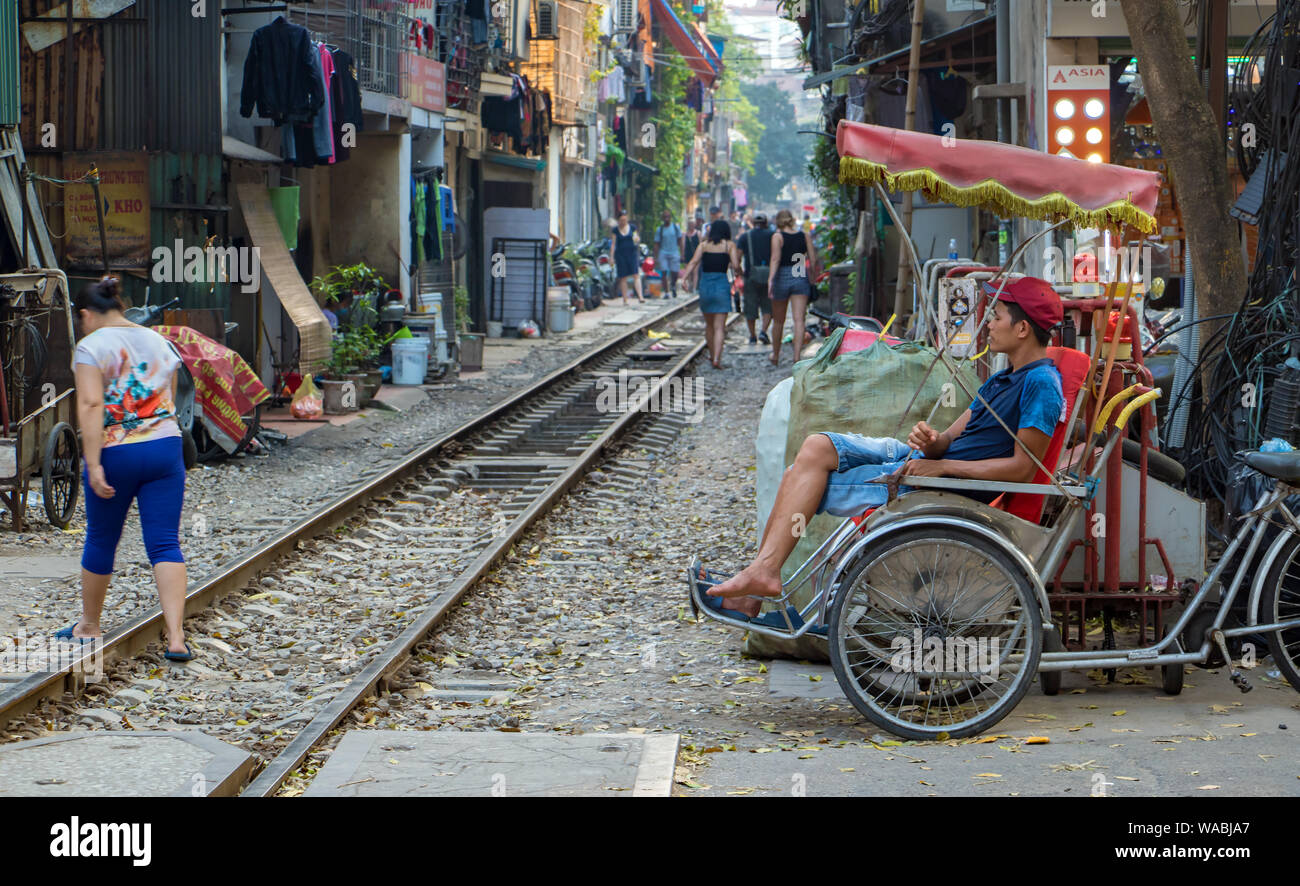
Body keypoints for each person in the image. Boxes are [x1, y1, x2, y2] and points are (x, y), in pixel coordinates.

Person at [706, 277, 1066, 617]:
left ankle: (759, 581)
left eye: (997, 316)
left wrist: (942, 468)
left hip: (942, 488)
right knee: (815, 447)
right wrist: (933, 441)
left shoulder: (1040, 384)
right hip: (923, 465)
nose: (988, 323)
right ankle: (761, 576)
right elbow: (948, 440)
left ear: (1022, 328)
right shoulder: (1002, 378)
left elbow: (1023, 468)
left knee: (798, 479)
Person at [62, 277, 193, 660]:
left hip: (118, 451)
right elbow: (168, 394)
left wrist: (93, 462)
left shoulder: (90, 346)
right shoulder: (158, 341)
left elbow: (89, 405)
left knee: (102, 538)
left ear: (86, 314)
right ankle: (176, 637)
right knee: (166, 542)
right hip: (166, 449)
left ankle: (89, 625)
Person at [680, 219, 740, 369]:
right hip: (721, 286)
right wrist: (740, 272)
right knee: (719, 327)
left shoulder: (703, 246)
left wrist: (684, 279)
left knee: (709, 326)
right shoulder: (729, 245)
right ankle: (717, 359)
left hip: (705, 286)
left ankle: (712, 354)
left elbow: (693, 262)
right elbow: (736, 265)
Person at [767, 209, 819, 366]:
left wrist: (770, 280)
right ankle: (796, 356)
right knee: (799, 320)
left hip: (782, 277)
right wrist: (811, 277)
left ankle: (775, 354)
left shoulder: (777, 237)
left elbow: (775, 259)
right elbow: (813, 259)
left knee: (778, 321)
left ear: (778, 221)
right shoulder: (804, 235)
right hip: (799, 274)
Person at [735, 213, 773, 346]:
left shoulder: (745, 237)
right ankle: (763, 331)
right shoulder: (772, 235)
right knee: (768, 306)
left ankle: (752, 336)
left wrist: (740, 272)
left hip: (751, 275)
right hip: (769, 276)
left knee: (750, 307)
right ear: (765, 223)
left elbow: (737, 259)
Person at [609, 211, 644, 305]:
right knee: (623, 277)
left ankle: (640, 296)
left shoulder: (632, 228)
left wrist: (637, 239)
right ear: (618, 220)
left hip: (632, 253)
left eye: (624, 220)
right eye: (621, 220)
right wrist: (611, 257)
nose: (623, 222)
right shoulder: (615, 230)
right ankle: (625, 299)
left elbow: (636, 238)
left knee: (636, 274)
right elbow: (613, 244)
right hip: (620, 255)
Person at [653, 210, 684, 299]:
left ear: (670, 218)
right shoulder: (660, 229)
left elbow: (680, 240)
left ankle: (673, 285)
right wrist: (655, 257)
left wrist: (682, 253)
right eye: (665, 217)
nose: (666, 219)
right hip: (663, 252)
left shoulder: (675, 228)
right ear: (663, 218)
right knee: (663, 272)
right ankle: (666, 292)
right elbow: (656, 243)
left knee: (675, 272)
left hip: (674, 252)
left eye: (668, 217)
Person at [681, 220, 701, 293]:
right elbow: (683, 245)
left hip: (696, 254)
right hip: (688, 255)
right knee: (688, 272)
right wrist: (682, 255)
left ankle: (695, 288)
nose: (691, 226)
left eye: (692, 224)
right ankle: (690, 285)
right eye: (690, 224)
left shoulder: (698, 233)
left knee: (695, 272)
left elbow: (701, 244)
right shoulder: (684, 234)